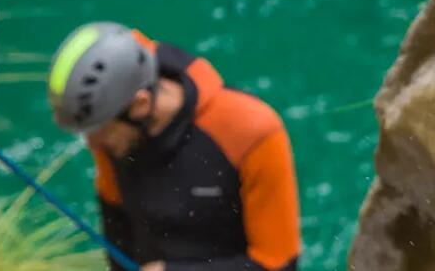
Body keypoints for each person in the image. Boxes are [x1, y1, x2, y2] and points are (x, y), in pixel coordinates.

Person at [46, 22, 300, 271]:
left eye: (99, 131)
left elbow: (278, 264)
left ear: (140, 106)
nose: (92, 144)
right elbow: (118, 233)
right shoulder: (112, 134)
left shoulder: (252, 131)